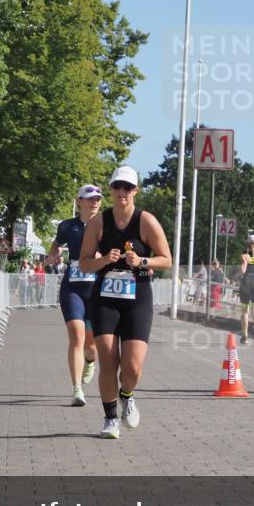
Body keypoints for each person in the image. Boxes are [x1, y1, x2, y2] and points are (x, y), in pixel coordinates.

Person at [79, 166, 172, 439]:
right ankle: (110, 419)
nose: (122, 191)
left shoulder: (146, 221)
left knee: (132, 368)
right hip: (105, 298)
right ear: (110, 189)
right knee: (108, 362)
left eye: (128, 187)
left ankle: (127, 395)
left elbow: (166, 259)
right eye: (117, 186)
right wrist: (103, 261)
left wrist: (142, 261)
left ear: (135, 191)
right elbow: (84, 264)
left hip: (137, 298)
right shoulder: (98, 222)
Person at [45, 184, 104, 407]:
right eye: (90, 198)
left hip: (97, 288)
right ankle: (77, 389)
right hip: (73, 287)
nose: (95, 202)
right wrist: (54, 254)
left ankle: (90, 359)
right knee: (77, 336)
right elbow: (56, 244)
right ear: (79, 201)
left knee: (91, 344)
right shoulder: (67, 226)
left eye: (98, 198)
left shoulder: (106, 225)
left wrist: (101, 256)